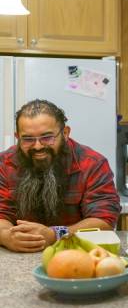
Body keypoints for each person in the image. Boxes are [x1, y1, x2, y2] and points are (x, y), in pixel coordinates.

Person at [0, 99, 121, 253]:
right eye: (28, 139)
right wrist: (5, 236)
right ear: (18, 137)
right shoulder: (4, 164)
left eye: (47, 137)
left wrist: (55, 234)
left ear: (65, 133)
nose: (38, 146)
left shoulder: (92, 164)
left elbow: (104, 220)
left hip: (78, 254)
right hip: (20, 255)